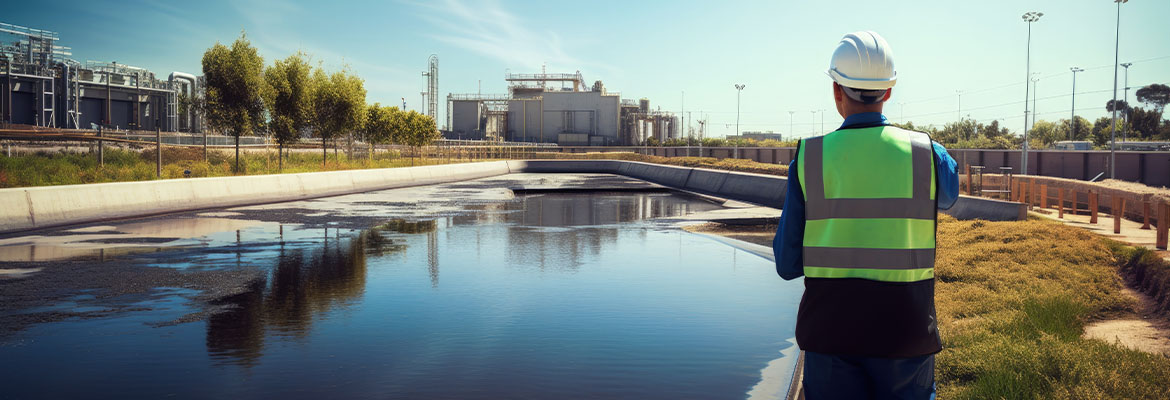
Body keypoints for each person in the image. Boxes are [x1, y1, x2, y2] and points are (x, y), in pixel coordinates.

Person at [772, 31, 959, 399]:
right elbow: (950, 196)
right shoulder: (926, 153)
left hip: (830, 333)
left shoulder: (809, 158)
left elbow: (787, 263)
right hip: (907, 332)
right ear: (888, 91)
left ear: (836, 91)